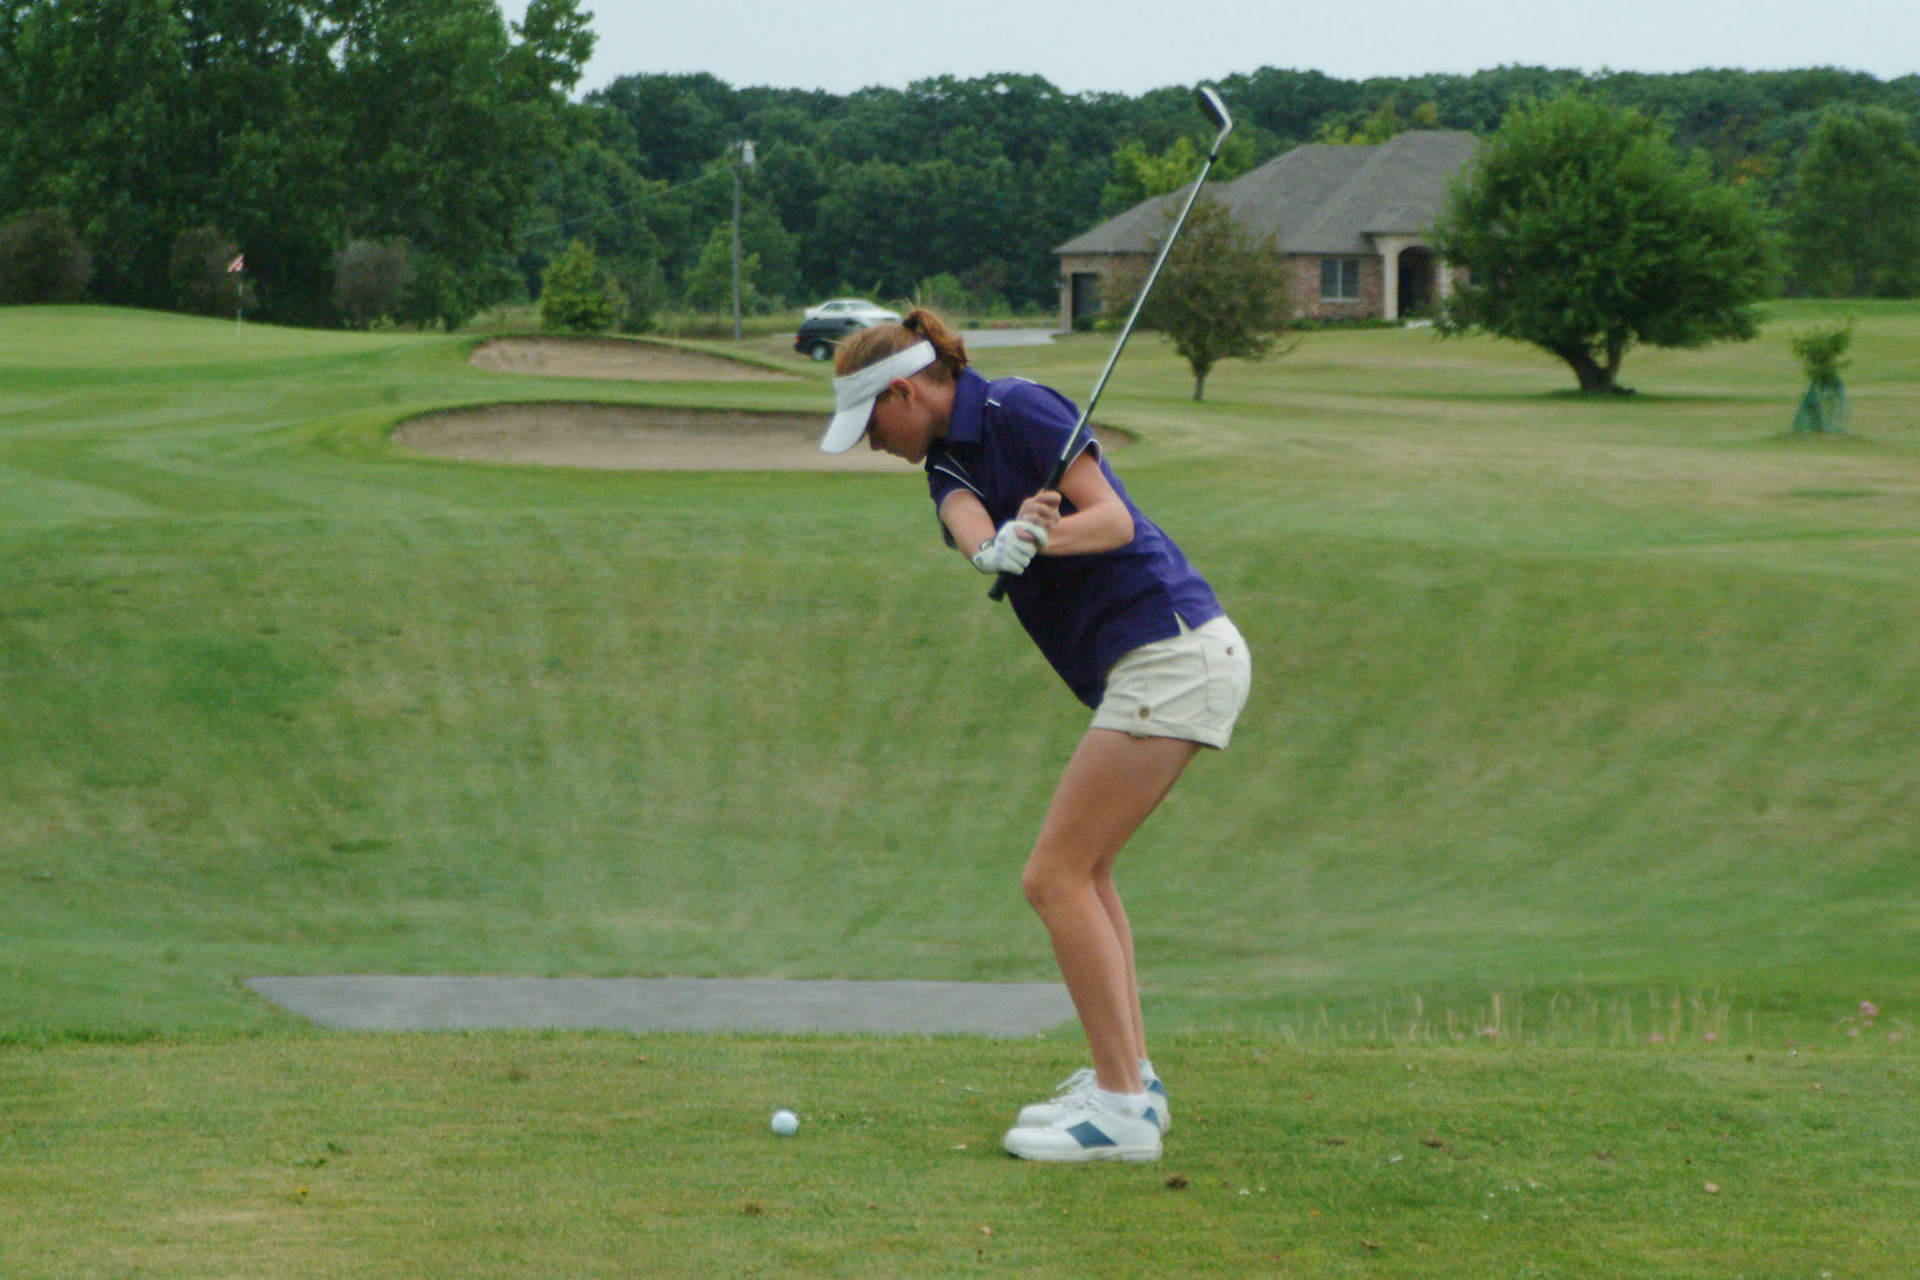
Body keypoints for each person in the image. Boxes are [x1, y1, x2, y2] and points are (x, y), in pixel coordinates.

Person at [819, 309, 1251, 1163]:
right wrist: (998, 547)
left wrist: (1041, 537)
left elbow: (1115, 524)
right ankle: (1132, 1081)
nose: (870, 443)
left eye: (872, 422)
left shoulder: (1021, 409)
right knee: (1086, 873)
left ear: (905, 390)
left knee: (1053, 876)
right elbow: (969, 527)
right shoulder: (942, 459)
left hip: (1173, 650)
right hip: (1154, 662)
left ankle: (1123, 1111)